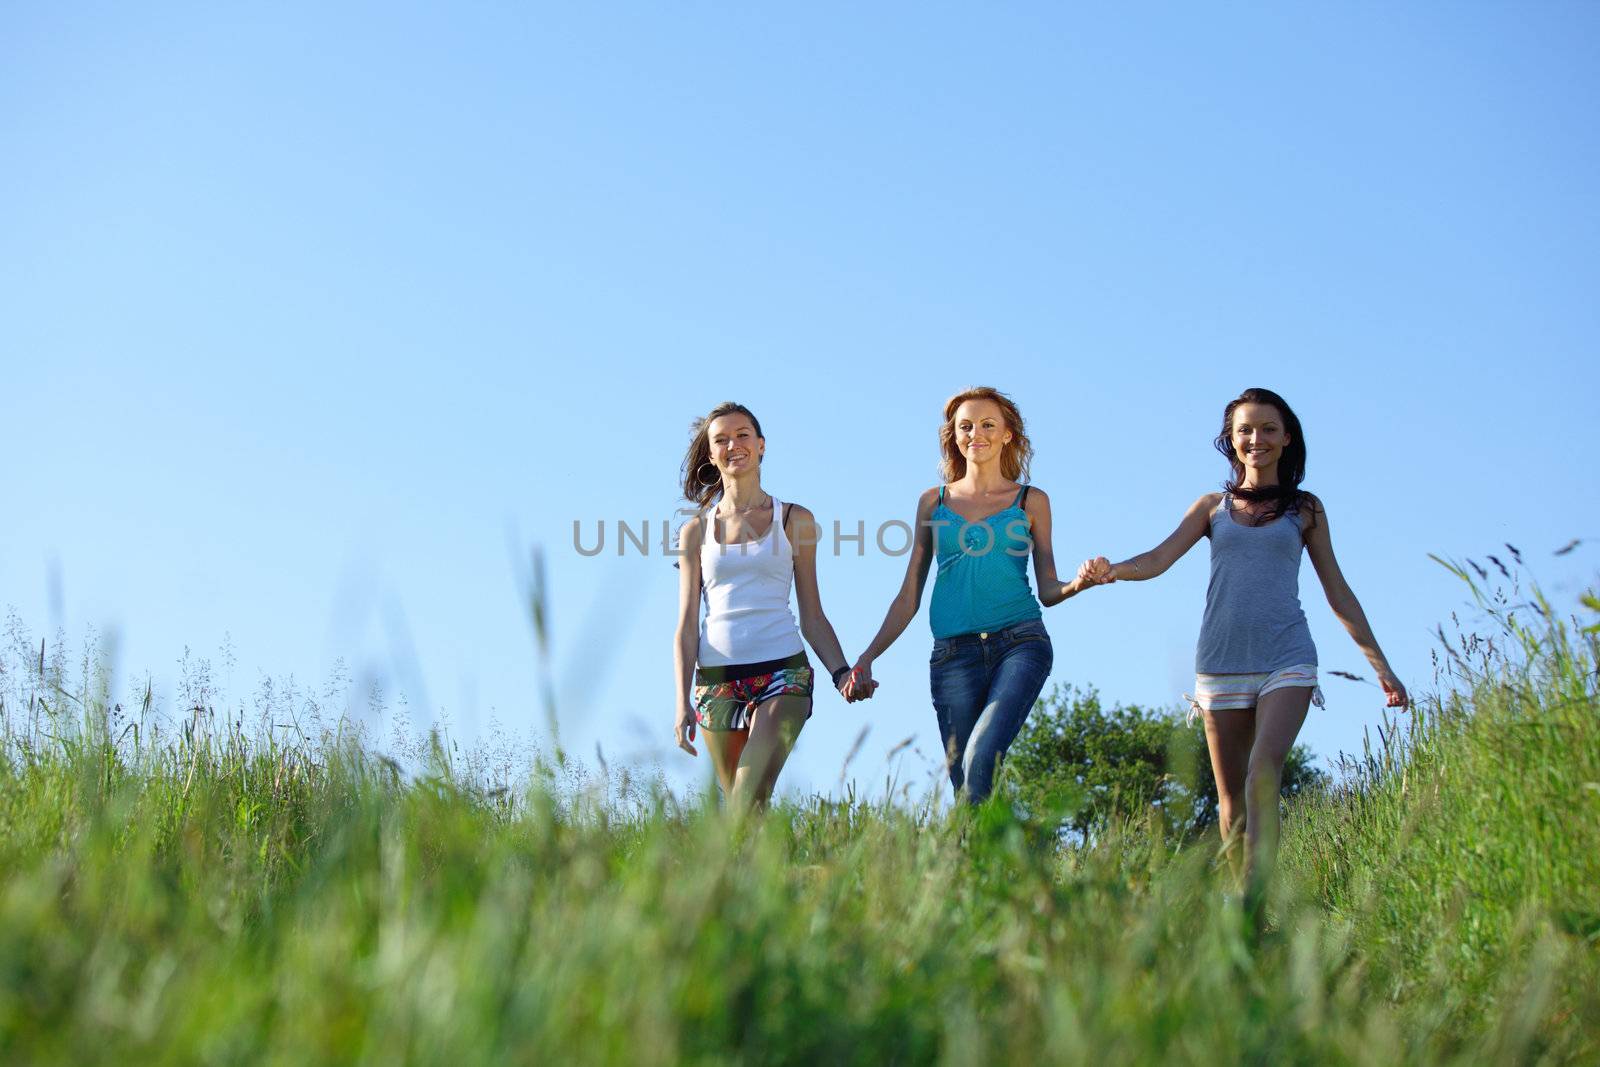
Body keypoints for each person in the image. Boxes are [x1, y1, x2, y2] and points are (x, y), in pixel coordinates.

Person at [1076, 386, 1408, 901]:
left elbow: (1337, 590)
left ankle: (1259, 897)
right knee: (1230, 810)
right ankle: (1245, 925)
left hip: (1286, 657)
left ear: (1287, 438)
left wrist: (1380, 667)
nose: (1256, 439)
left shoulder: (1306, 510)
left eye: (1268, 429)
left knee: (1262, 774)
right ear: (1231, 441)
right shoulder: (1213, 508)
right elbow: (1159, 559)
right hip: (1220, 663)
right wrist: (1112, 571)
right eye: (1245, 430)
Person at [852, 386, 1091, 805]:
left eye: (986, 425)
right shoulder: (934, 502)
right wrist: (868, 655)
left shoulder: (1031, 501)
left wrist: (1080, 583)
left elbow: (1049, 590)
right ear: (954, 435)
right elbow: (909, 593)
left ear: (1007, 435)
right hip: (953, 656)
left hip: (1019, 643)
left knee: (981, 757)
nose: (974, 434)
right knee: (967, 784)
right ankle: (987, 865)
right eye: (965, 426)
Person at [673, 401, 871, 811]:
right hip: (717, 678)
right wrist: (681, 703)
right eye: (721, 440)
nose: (733, 445)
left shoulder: (794, 520)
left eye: (743, 435)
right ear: (711, 455)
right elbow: (686, 626)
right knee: (748, 810)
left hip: (783, 671)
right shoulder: (695, 532)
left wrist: (840, 673)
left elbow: (812, 614)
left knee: (745, 798)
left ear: (761, 445)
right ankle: (771, 876)